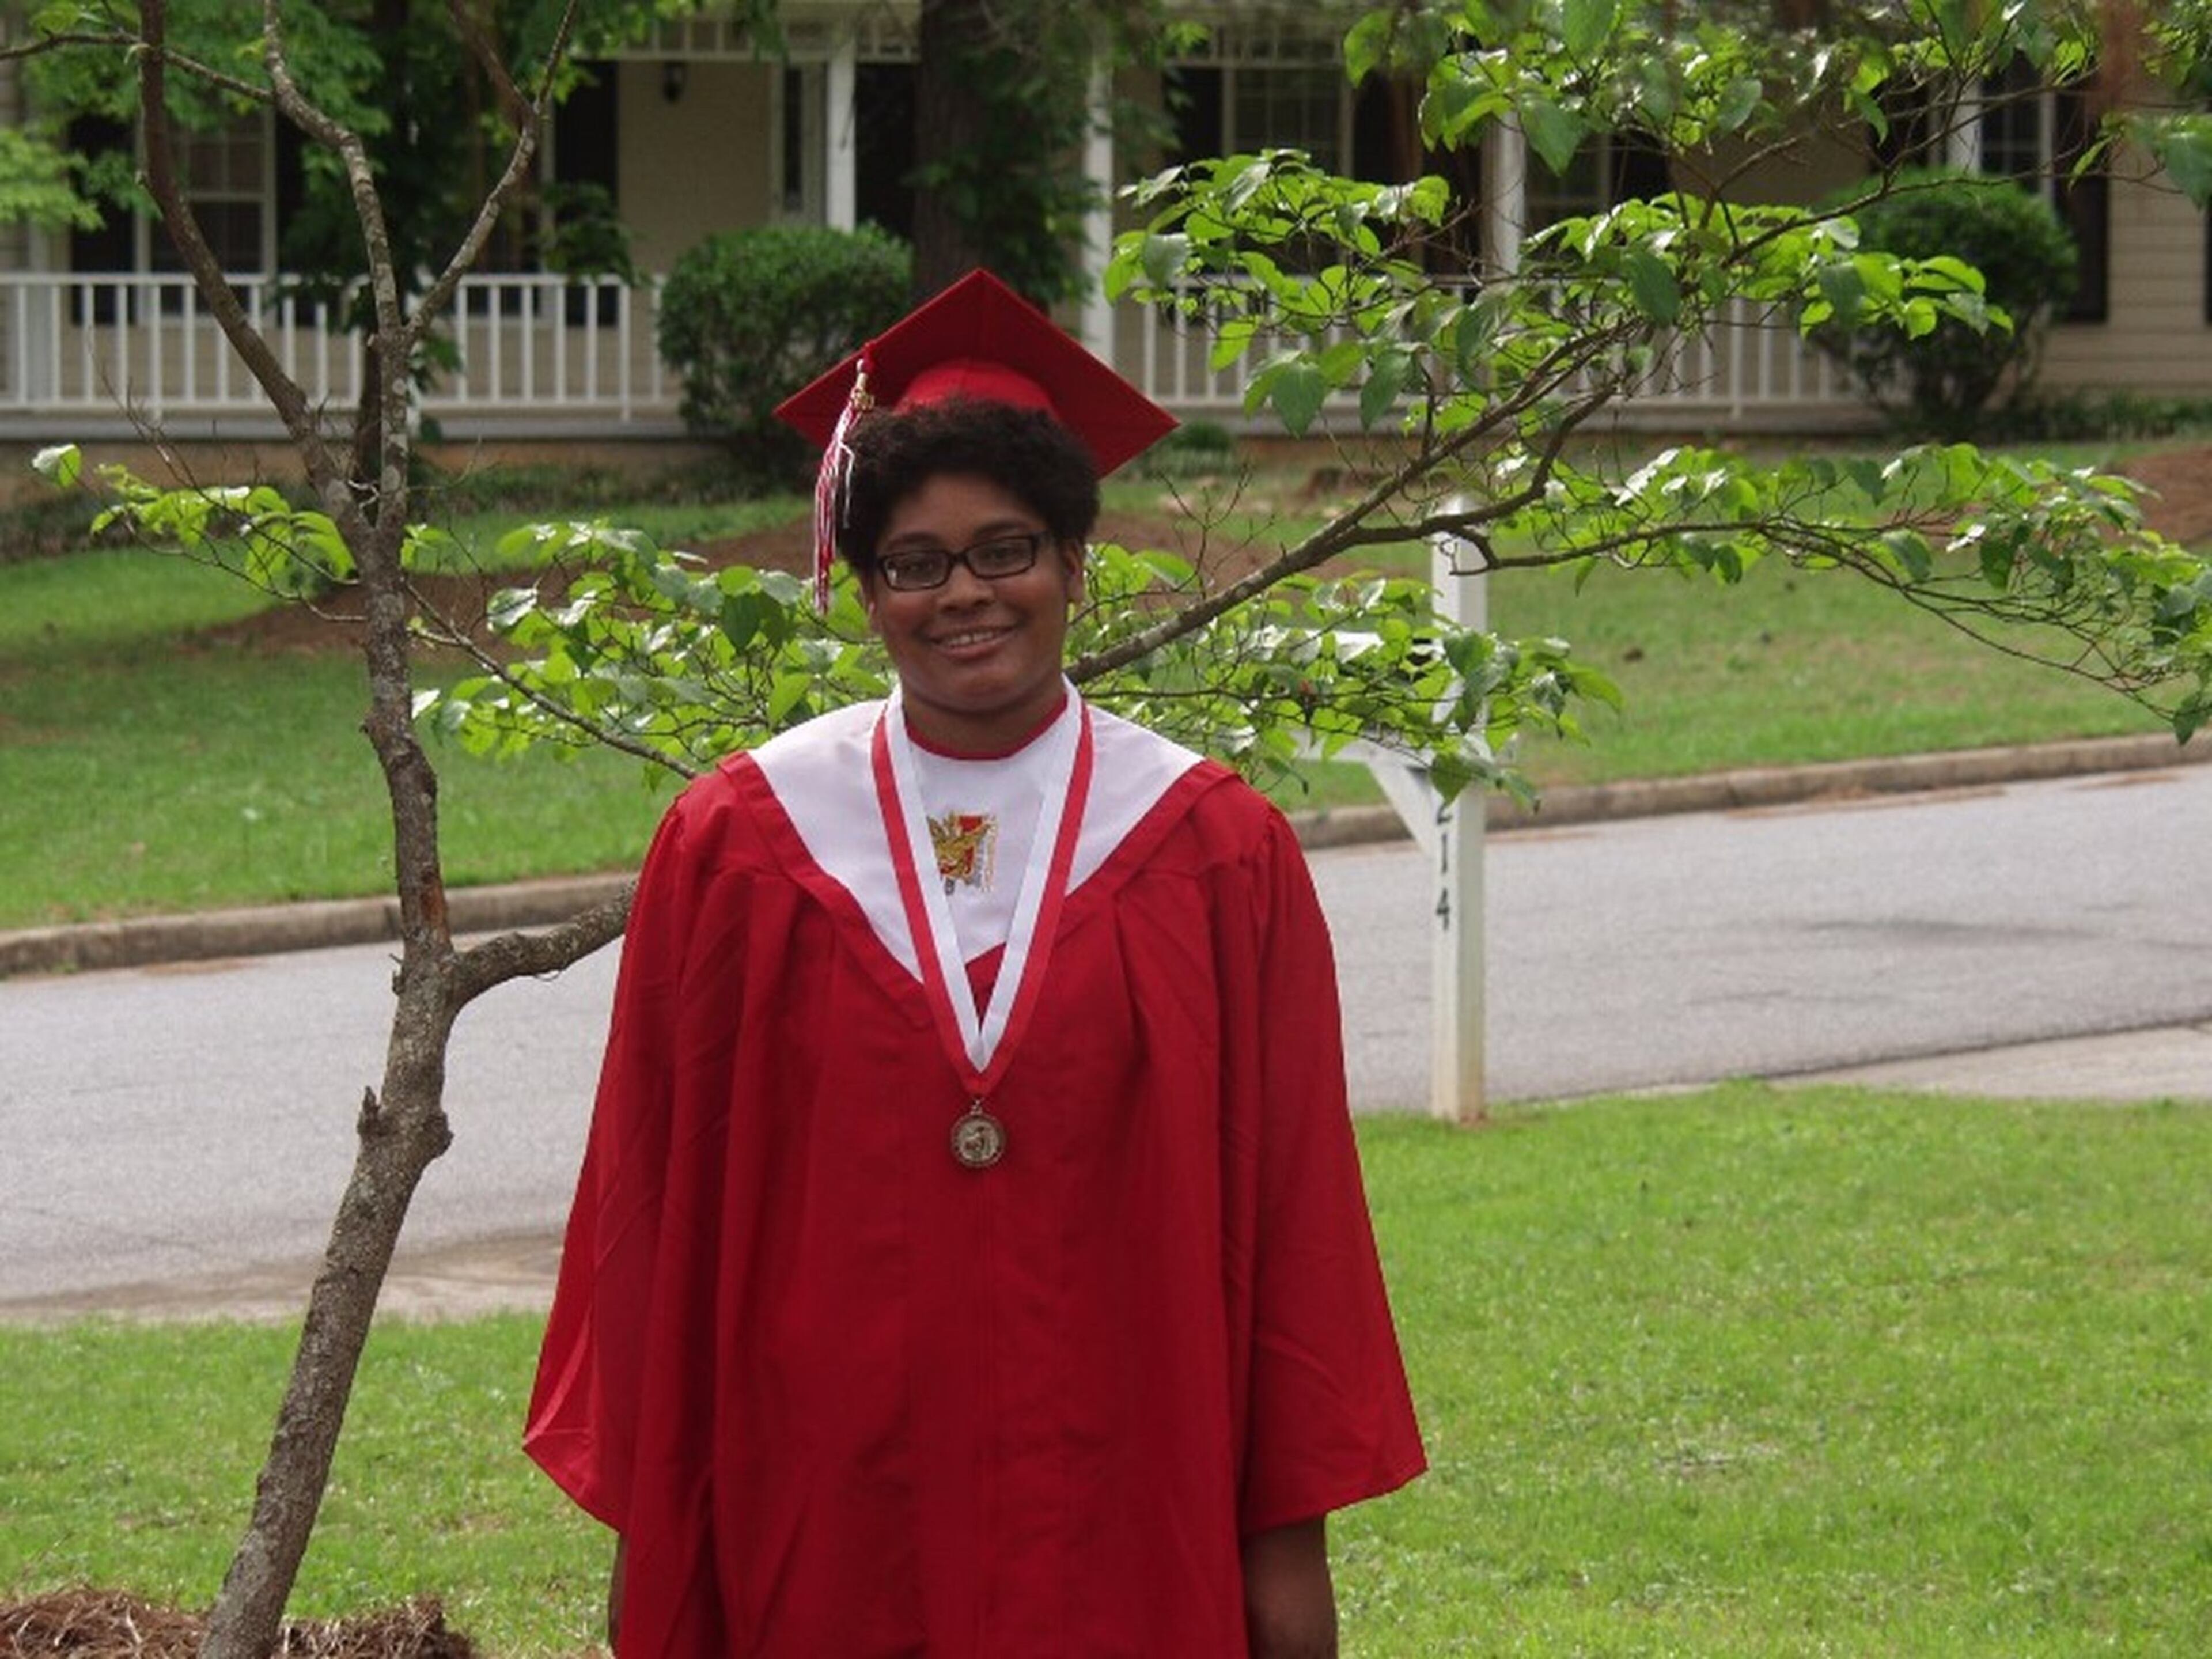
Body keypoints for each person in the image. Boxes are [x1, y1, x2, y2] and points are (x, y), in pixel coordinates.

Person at [524, 269, 1425, 1658]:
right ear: (865, 587)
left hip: (1124, 1499)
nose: (966, 595)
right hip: (818, 1501)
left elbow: (1294, 1219)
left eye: (1007, 549)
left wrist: (1285, 1568)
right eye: (917, 561)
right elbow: (660, 1208)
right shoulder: (738, 843)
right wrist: (664, 1541)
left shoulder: (1213, 848)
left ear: (1075, 560)